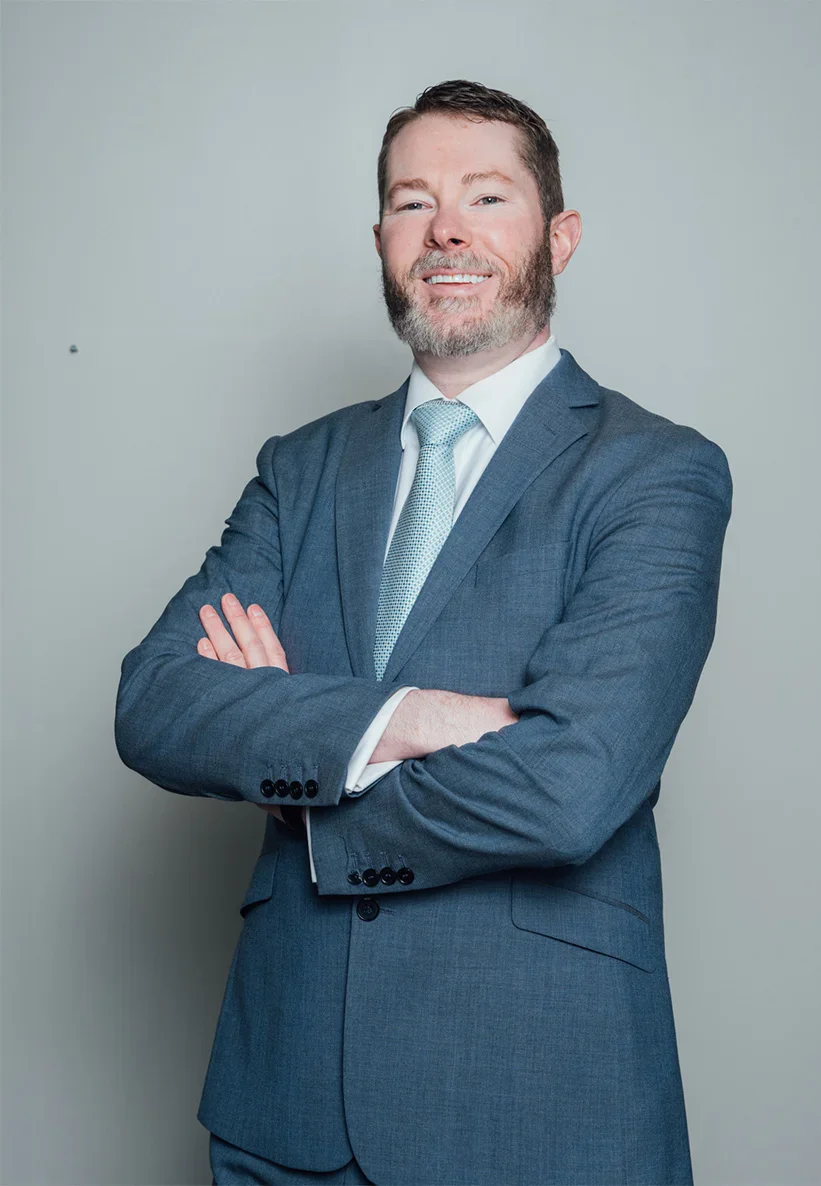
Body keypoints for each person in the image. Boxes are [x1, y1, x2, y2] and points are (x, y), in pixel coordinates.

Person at [115, 78, 733, 1186]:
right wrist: (406, 720)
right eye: (412, 201)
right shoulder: (300, 469)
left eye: (485, 195)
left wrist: (304, 774)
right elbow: (156, 700)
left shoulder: (656, 472)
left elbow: (571, 783)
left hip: (539, 1097)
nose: (445, 227)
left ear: (559, 236)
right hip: (282, 1099)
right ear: (383, 241)